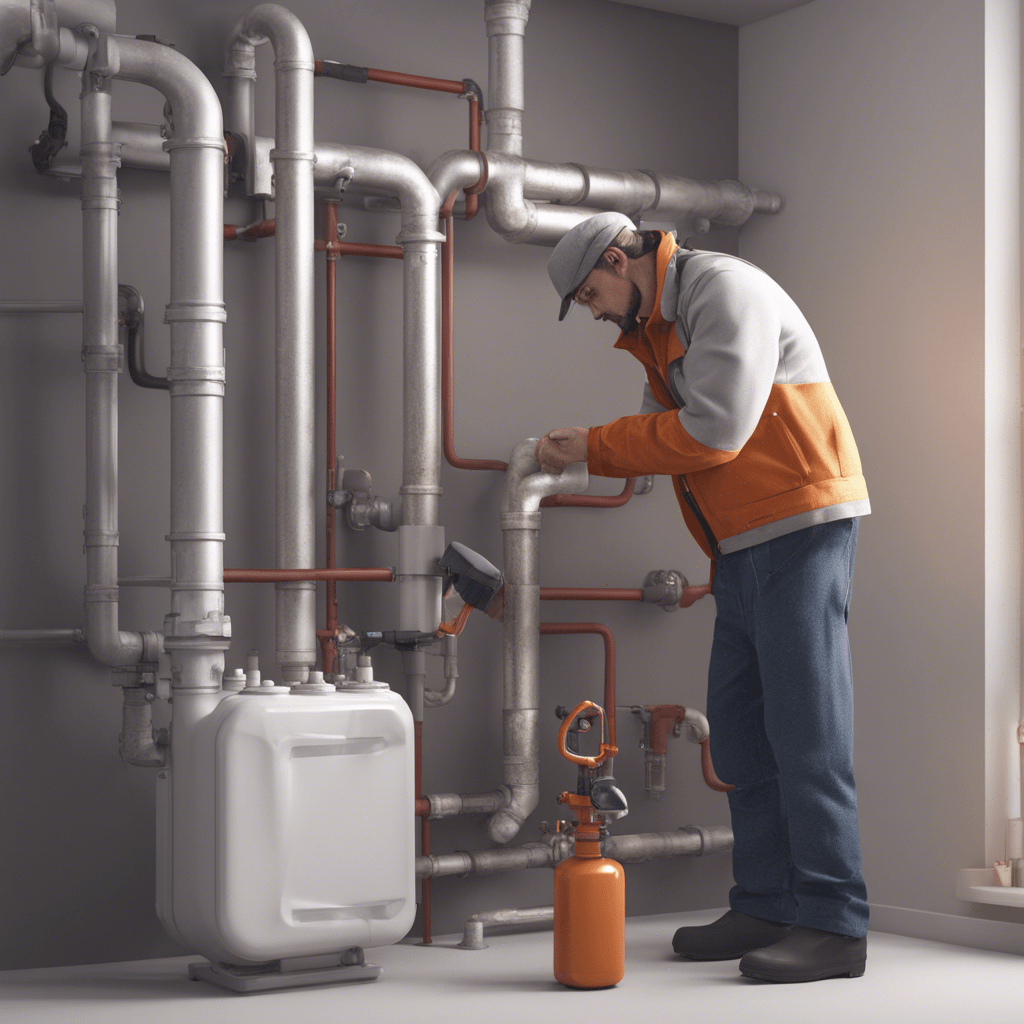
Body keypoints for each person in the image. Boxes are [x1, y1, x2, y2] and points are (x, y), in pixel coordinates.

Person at [536, 211, 871, 984]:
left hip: (799, 522)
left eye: (590, 294)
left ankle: (833, 923)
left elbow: (715, 430)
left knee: (806, 730)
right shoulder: (663, 323)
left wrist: (593, 444)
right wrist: (605, 443)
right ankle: (765, 901)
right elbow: (666, 423)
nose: (592, 311)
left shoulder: (725, 291)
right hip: (741, 541)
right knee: (745, 734)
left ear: (619, 260)